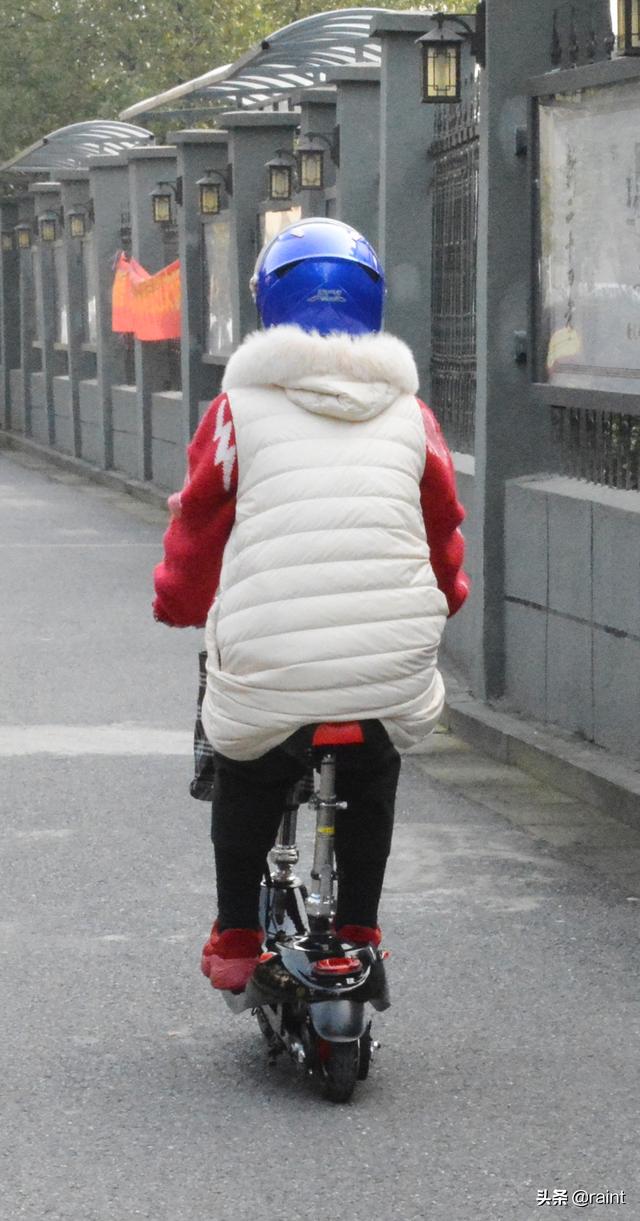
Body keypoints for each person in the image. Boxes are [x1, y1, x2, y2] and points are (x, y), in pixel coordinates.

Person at [153, 218, 469, 992]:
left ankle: (234, 934)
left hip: (273, 668)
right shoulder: (414, 415)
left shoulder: (235, 412)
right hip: (390, 665)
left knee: (246, 764)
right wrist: (446, 600)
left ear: (268, 305)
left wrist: (179, 602)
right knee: (376, 763)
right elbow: (442, 531)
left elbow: (198, 527)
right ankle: (358, 922)